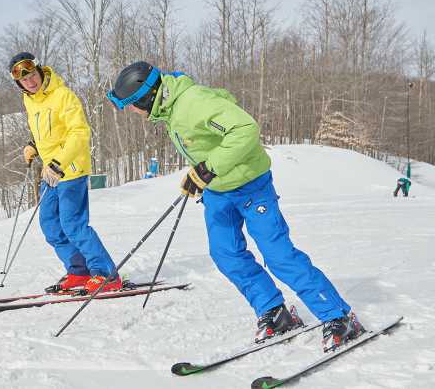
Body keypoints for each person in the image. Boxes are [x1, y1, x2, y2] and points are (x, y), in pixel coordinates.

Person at [108, 61, 363, 353]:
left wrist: (208, 168)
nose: (131, 111)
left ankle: (338, 316)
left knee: (278, 255)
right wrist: (198, 176)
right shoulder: (170, 110)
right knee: (226, 254)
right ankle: (274, 311)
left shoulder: (193, 102)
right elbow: (206, 145)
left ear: (145, 96)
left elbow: (245, 129)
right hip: (218, 192)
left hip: (251, 186)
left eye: (130, 104)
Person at [9, 52, 120, 294]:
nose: (30, 82)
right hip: (50, 173)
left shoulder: (63, 96)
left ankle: (106, 274)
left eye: (31, 75)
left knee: (73, 225)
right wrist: (34, 145)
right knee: (50, 224)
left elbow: (79, 133)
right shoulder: (31, 101)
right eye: (23, 80)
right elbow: (50, 133)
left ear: (39, 70)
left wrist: (59, 162)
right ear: (19, 83)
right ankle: (79, 272)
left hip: (69, 169)